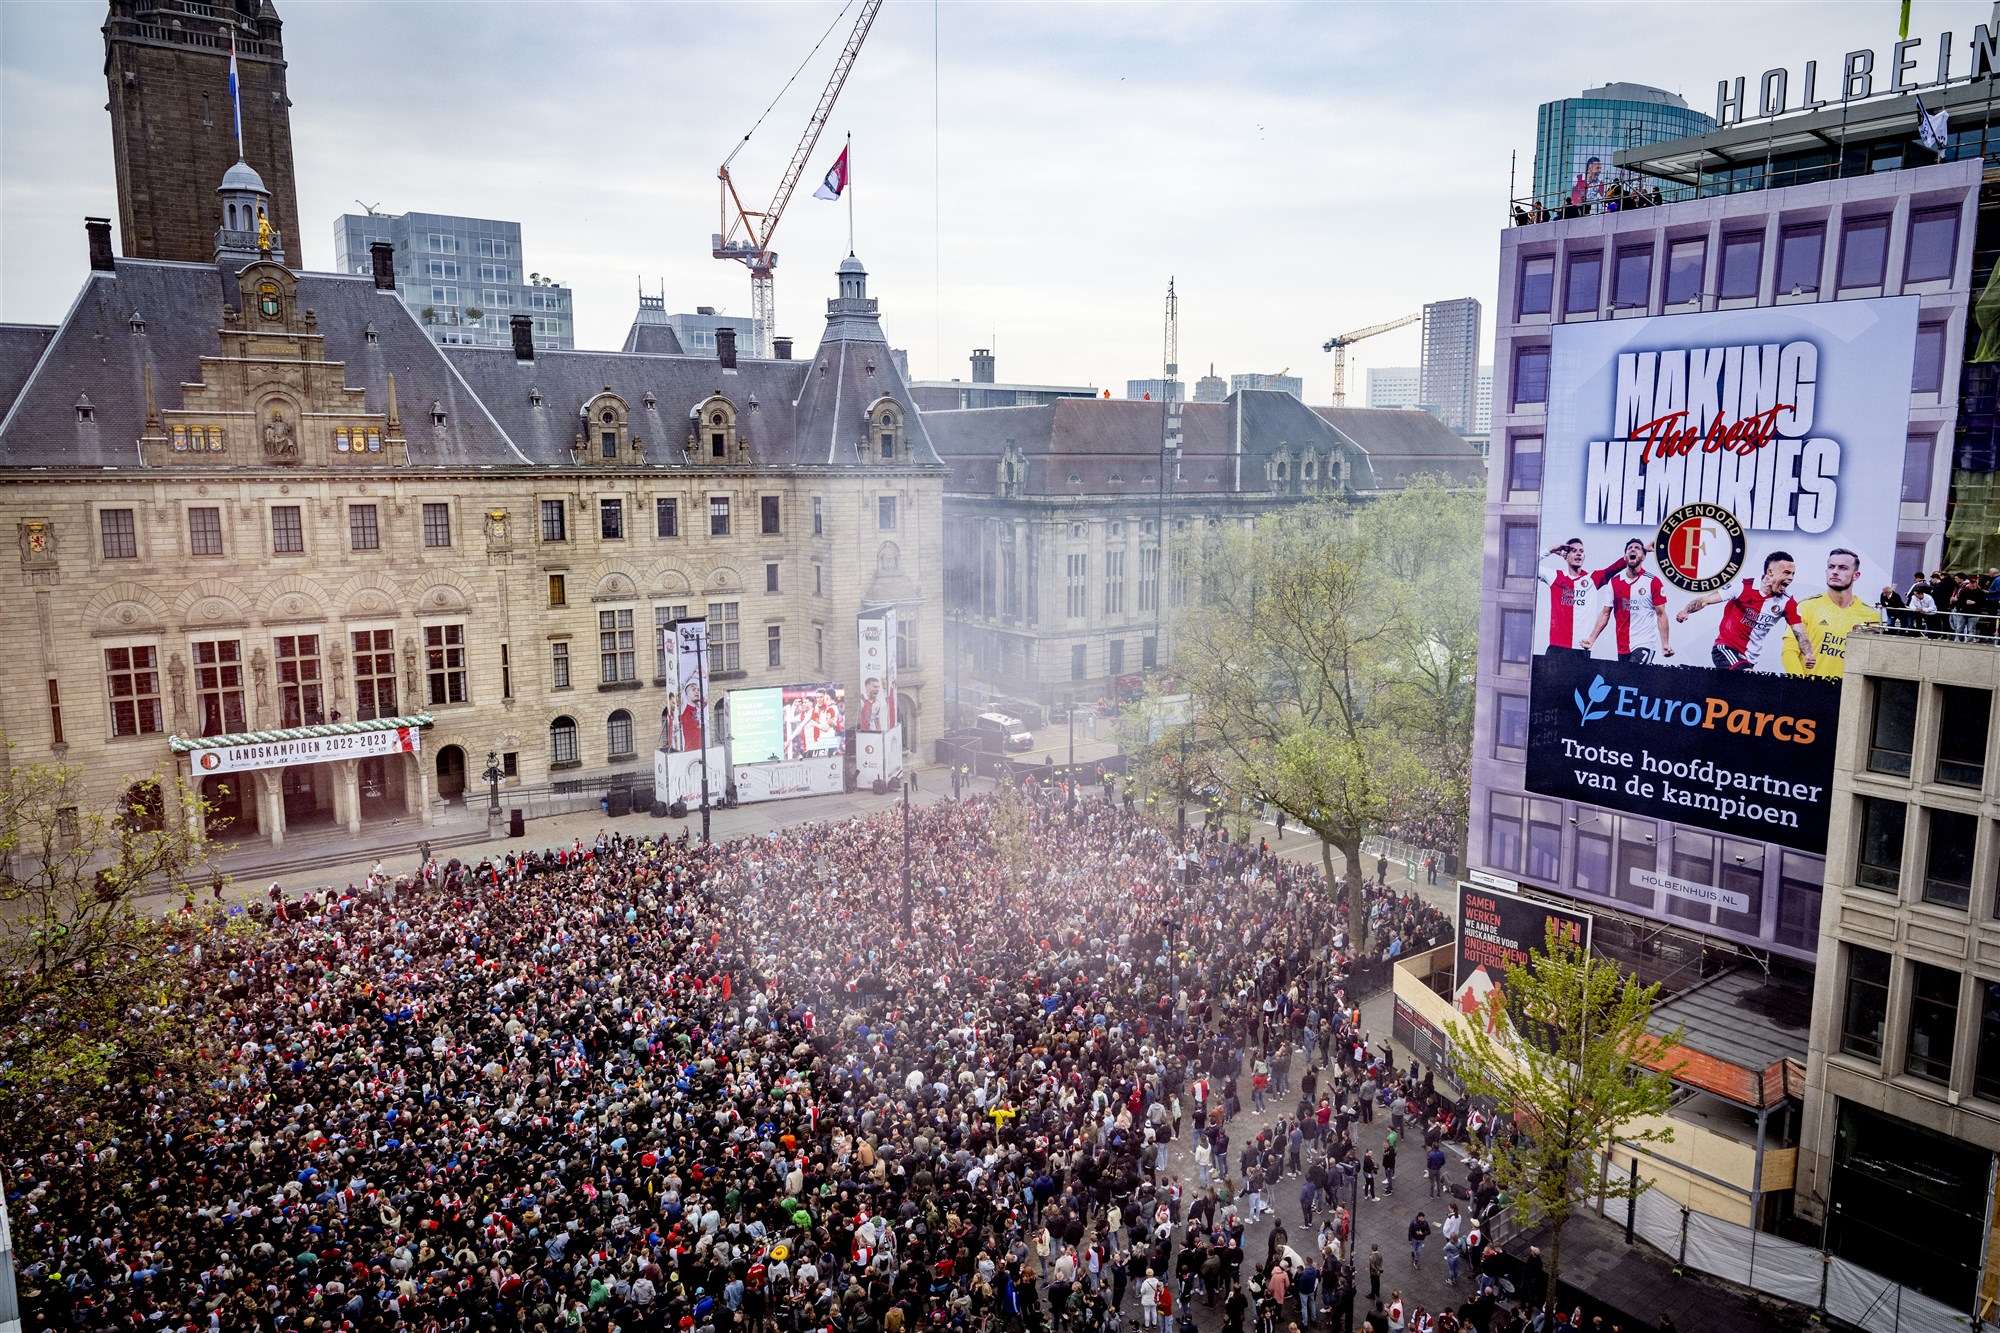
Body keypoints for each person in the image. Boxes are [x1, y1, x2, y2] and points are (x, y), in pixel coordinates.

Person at [1677, 550, 1815, 672]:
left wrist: (1808, 653)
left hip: (1749, 659)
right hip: (1725, 649)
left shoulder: (1788, 602)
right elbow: (1705, 600)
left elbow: (1800, 632)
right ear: (1770, 572)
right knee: (1747, 678)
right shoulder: (1742, 587)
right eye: (1786, 573)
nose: (1791, 578)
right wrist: (1686, 611)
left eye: (1793, 574)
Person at [1782, 548, 1880, 677]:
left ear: (1856, 575)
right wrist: (1800, 685)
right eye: (1831, 567)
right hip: (1809, 690)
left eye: (1843, 568)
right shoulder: (1806, 607)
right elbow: (1789, 651)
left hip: (1848, 693)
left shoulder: (1872, 616)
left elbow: (1872, 663)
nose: (1835, 572)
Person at [1582, 538, 1672, 663]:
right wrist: (1591, 639)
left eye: (1637, 548)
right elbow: (1605, 613)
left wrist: (1665, 644)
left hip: (1644, 643)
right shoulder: (1614, 583)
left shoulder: (1652, 582)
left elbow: (1661, 614)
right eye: (1630, 548)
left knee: (1633, 674)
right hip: (1622, 647)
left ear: (1643, 557)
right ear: (1624, 557)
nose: (1633, 549)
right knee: (1627, 681)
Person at [1539, 539, 1624, 653]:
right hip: (1557, 648)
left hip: (1581, 648)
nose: (1578, 553)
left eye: (1581, 551)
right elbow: (1528, 566)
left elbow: (1615, 567)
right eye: (1573, 551)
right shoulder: (1555, 576)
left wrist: (1642, 551)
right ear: (1566, 556)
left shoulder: (1592, 579)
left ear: (1584, 557)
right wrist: (1551, 549)